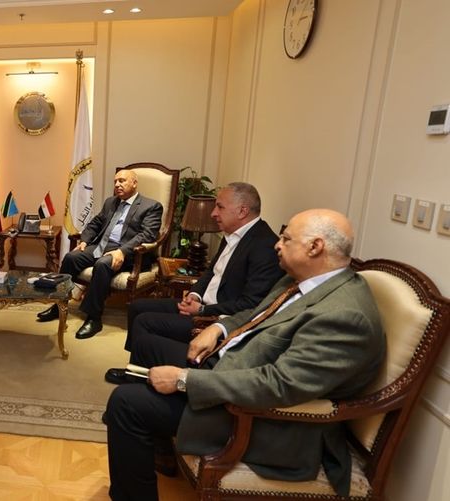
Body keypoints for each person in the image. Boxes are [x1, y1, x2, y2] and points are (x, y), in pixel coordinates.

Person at [103, 209, 386, 501]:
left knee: (126, 403)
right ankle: (158, 445)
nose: (277, 244)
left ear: (315, 247)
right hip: (234, 365)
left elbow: (279, 385)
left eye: (286, 239)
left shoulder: (344, 316)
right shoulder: (303, 280)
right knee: (148, 345)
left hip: (264, 420)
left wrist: (185, 380)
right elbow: (256, 314)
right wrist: (219, 328)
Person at [105, 182, 283, 384]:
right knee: (137, 307)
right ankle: (138, 366)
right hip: (203, 305)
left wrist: (202, 310)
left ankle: (141, 375)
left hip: (216, 317)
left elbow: (251, 304)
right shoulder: (232, 233)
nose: (213, 213)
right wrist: (194, 294)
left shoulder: (264, 246)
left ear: (242, 211)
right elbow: (210, 272)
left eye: (220, 207)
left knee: (145, 321)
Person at [37, 169, 162, 339]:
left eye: (122, 181)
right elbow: (95, 224)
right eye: (115, 181)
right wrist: (84, 241)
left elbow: (147, 235)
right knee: (71, 258)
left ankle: (94, 318)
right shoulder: (111, 202)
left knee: (102, 264)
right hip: (101, 246)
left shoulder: (151, 206)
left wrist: (122, 251)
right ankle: (59, 306)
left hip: (129, 253)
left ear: (134, 183)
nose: (117, 184)